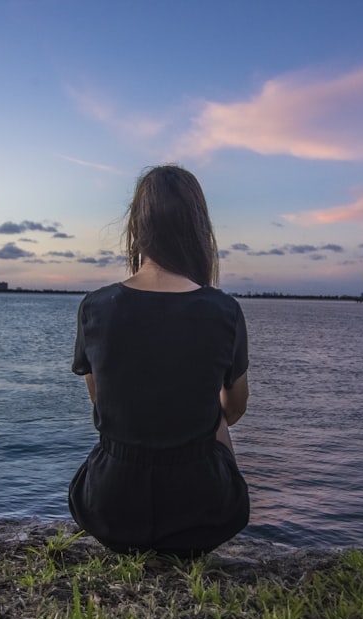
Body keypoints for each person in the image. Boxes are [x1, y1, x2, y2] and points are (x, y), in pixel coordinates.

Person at [68, 164, 250, 557]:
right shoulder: (224, 311)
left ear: (138, 228)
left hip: (109, 510)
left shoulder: (96, 307)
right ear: (198, 229)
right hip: (203, 515)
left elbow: (103, 404)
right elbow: (234, 409)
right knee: (213, 411)